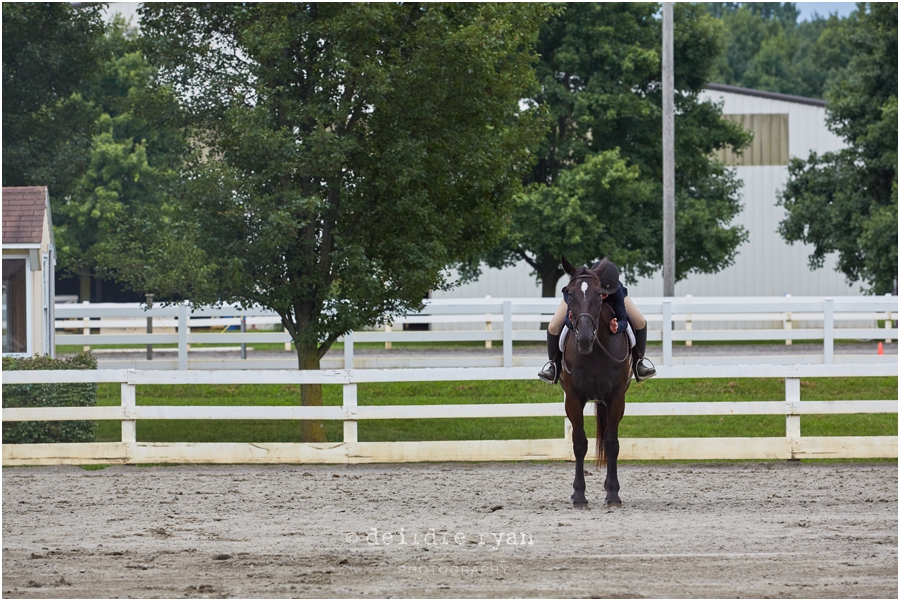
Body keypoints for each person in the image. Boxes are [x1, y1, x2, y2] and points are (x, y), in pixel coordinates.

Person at [537, 257, 656, 383]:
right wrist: (572, 321)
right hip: (581, 294)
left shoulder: (616, 291)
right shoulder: (582, 286)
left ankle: (639, 364)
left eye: (606, 294)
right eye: (601, 293)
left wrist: (617, 326)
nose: (604, 296)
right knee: (553, 326)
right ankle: (554, 366)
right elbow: (567, 320)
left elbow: (623, 319)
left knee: (641, 321)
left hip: (610, 292)